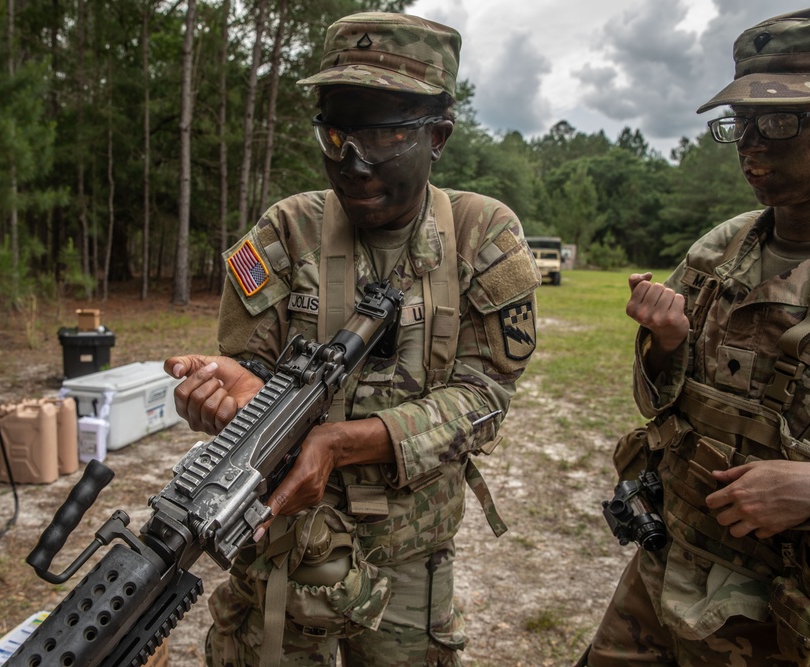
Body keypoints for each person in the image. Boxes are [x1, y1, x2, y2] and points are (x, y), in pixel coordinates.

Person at [164, 11, 540, 667]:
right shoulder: (285, 231)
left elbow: (484, 399)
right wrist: (231, 397)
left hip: (408, 563)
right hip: (285, 549)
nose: (353, 161)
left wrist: (339, 444)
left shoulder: (482, 236)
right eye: (336, 132)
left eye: (387, 133)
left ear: (440, 134)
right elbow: (250, 370)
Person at [583, 9, 810, 667]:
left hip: (785, 616)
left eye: (779, 121)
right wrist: (666, 344)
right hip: (673, 566)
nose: (751, 144)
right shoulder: (720, 250)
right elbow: (659, 405)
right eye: (739, 124)